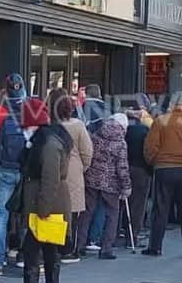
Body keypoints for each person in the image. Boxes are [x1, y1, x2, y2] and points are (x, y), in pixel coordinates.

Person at [5, 96, 74, 283]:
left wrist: (42, 208)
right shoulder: (47, 138)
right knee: (50, 248)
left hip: (46, 206)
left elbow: (50, 179)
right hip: (49, 204)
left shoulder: (47, 144)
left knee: (31, 250)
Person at [143, 94, 182, 257]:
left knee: (160, 209)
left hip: (164, 168)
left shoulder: (161, 121)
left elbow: (150, 146)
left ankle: (155, 247)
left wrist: (155, 162)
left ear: (172, 104)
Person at [0, 73, 28, 275]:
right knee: (26, 214)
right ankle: (23, 255)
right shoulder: (32, 111)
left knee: (1, 215)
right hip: (26, 170)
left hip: (4, 169)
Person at [76, 113, 131, 260]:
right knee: (112, 215)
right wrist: (126, 186)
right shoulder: (121, 143)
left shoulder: (96, 136)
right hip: (111, 184)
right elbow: (122, 167)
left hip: (92, 179)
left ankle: (79, 245)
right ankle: (106, 249)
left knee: (86, 213)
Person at [55, 88, 93, 264]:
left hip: (54, 171)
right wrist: (82, 167)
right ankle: (68, 249)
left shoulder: (49, 125)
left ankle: (54, 245)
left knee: (54, 210)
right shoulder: (77, 126)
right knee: (72, 212)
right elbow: (87, 151)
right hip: (73, 172)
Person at [125, 103, 153, 247]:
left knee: (125, 203)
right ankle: (133, 237)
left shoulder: (126, 130)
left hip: (126, 168)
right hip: (141, 170)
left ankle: (123, 232)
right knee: (138, 205)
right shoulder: (146, 130)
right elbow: (150, 152)